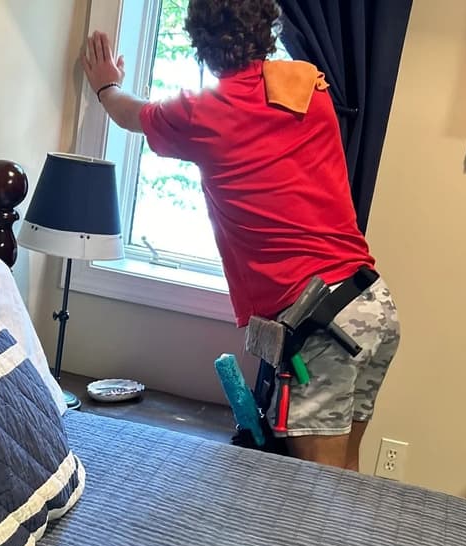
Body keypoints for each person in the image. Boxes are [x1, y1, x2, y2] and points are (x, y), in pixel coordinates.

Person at [81, 0, 400, 471]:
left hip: (321, 325)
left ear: (199, 42)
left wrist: (106, 85)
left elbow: (130, 113)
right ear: (267, 28)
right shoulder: (306, 87)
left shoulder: (203, 114)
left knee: (319, 495)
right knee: (348, 481)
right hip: (370, 305)